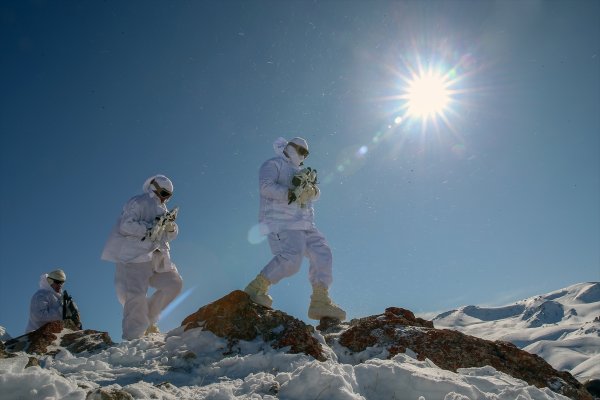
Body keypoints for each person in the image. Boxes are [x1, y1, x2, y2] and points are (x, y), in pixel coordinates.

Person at [244, 137, 346, 321]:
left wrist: (311, 191)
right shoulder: (274, 164)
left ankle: (320, 300)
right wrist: (290, 193)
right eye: (301, 151)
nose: (303, 156)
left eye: (306, 153)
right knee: (292, 258)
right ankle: (256, 288)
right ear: (292, 148)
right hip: (282, 221)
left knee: (323, 252)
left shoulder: (301, 172)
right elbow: (266, 187)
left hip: (305, 224)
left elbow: (313, 194)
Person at [101, 174, 183, 340]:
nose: (165, 198)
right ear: (155, 188)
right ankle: (133, 337)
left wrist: (171, 229)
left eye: (168, 195)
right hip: (136, 256)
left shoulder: (163, 209)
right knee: (136, 295)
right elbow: (125, 225)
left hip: (157, 258)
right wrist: (148, 229)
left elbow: (167, 235)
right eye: (164, 193)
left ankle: (149, 319)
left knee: (174, 284)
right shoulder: (139, 202)